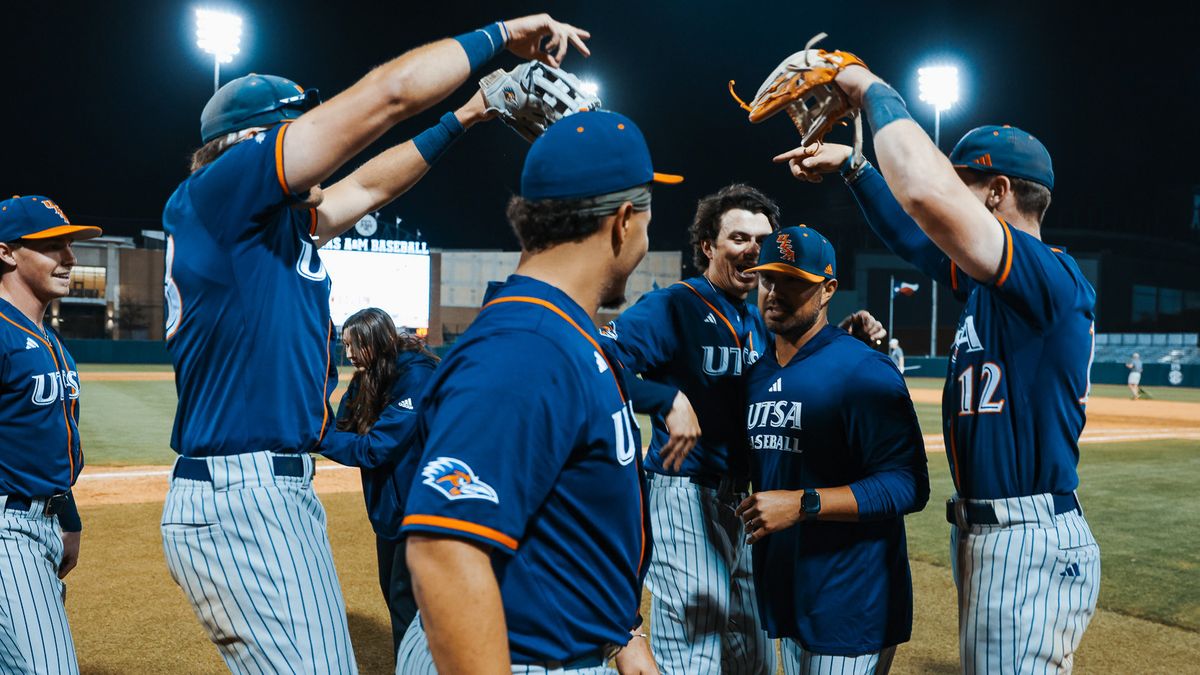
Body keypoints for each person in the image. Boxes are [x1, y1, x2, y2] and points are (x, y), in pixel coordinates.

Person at [159, 14, 591, 672]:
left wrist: (468, 114)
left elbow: (367, 185)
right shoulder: (223, 191)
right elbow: (388, 96)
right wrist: (500, 35)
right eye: (294, 124)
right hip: (242, 494)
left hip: (263, 490)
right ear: (248, 142)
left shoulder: (265, 224)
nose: (313, 135)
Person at [776, 62, 1101, 673]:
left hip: (1026, 535)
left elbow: (924, 198)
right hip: (992, 532)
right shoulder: (990, 284)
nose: (948, 193)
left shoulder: (1049, 278)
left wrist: (870, 88)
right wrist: (854, 167)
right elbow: (912, 233)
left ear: (998, 191)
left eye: (963, 183)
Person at [397, 110, 678, 674]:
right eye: (648, 216)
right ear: (624, 221)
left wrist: (621, 634)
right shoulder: (526, 345)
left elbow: (566, 520)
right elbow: (444, 550)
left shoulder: (556, 330)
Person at [599, 185, 885, 674]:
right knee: (693, 657)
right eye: (738, 237)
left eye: (762, 240)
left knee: (753, 660)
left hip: (746, 504)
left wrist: (842, 339)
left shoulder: (757, 320)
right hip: (686, 493)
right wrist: (663, 399)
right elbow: (595, 360)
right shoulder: (675, 305)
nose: (753, 249)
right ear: (707, 247)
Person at [734, 225, 929, 674]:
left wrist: (803, 503)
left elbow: (908, 484)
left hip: (851, 603)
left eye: (792, 281)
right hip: (791, 596)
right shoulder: (758, 374)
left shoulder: (864, 370)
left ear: (827, 289)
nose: (774, 292)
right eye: (768, 278)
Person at [0, 196, 99, 674]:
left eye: (69, 244)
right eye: (51, 246)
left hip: (41, 522)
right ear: (6, 252)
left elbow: (48, 442)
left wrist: (67, 515)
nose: (69, 257)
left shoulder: (50, 339)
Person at [323, 309, 439, 658]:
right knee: (392, 591)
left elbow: (375, 449)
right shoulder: (367, 377)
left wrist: (316, 438)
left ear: (376, 341)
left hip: (421, 507)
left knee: (406, 599)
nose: (348, 354)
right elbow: (341, 428)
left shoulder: (415, 376)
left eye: (354, 345)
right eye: (344, 346)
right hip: (389, 509)